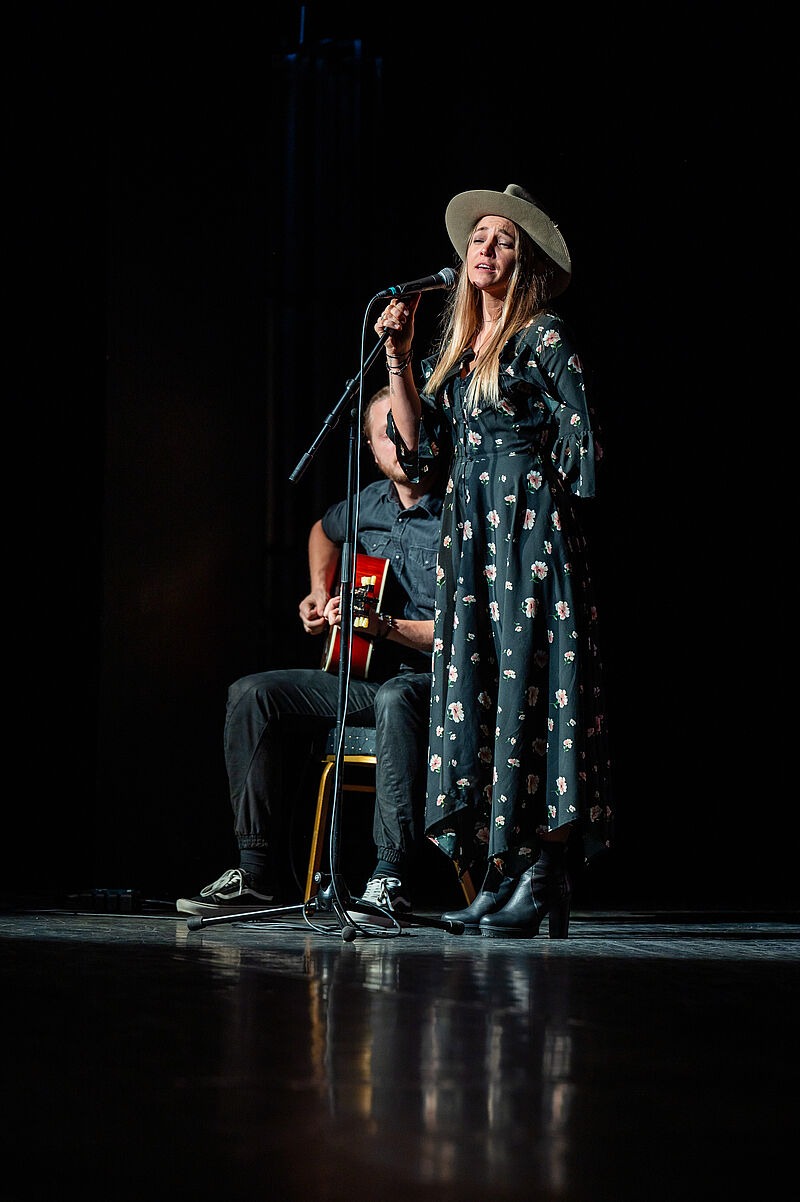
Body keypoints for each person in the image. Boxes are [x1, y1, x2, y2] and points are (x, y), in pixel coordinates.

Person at [375, 184, 612, 938]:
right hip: (475, 546)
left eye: (503, 240)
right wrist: (398, 358)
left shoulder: (542, 335)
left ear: (525, 262)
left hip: (527, 542)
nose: (485, 249)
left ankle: (544, 874)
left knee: (534, 696)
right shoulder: (461, 350)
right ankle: (507, 872)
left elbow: (584, 439)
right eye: (479, 237)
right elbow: (420, 450)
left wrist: (536, 501)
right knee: (486, 697)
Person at [176, 387, 443, 918]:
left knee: (394, 698)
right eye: (386, 433)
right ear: (371, 449)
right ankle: (256, 873)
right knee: (252, 694)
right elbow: (322, 530)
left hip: (430, 684)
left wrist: (386, 627)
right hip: (363, 677)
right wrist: (319, 592)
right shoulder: (368, 502)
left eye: (409, 429)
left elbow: (466, 634)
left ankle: (389, 876)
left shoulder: (461, 510)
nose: (401, 442)